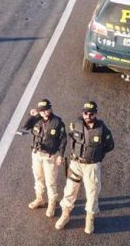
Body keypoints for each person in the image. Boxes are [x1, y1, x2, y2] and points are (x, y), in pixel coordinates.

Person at [55, 101, 115, 234]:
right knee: (70, 190)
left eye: (91, 113)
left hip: (92, 166)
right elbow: (68, 139)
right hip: (76, 164)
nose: (88, 115)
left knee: (92, 192)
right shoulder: (76, 125)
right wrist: (64, 154)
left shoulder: (102, 129)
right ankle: (65, 215)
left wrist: (98, 155)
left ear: (95, 114)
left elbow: (110, 145)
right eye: (85, 113)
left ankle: (90, 218)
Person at [20, 99, 67, 218]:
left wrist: (61, 155)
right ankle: (39, 199)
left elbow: (63, 140)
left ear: (50, 108)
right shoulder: (36, 120)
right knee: (38, 178)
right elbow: (25, 127)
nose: (45, 113)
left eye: (47, 110)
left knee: (50, 182)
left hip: (50, 156)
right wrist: (31, 115)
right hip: (36, 154)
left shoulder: (58, 122)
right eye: (42, 111)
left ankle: (52, 203)